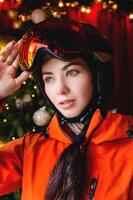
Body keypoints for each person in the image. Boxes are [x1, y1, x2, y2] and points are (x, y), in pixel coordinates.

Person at [0, 18, 133, 200]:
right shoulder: (30, 150)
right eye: (49, 78)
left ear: (98, 77)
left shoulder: (128, 147)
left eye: (71, 72)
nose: (60, 89)